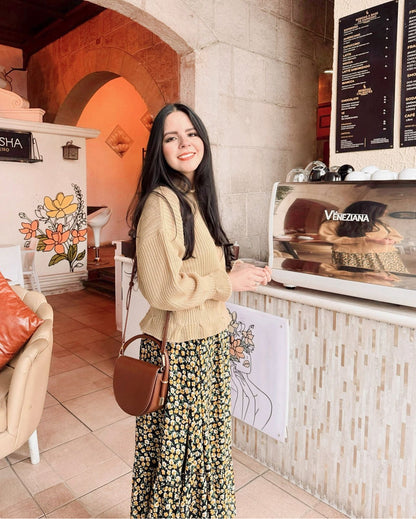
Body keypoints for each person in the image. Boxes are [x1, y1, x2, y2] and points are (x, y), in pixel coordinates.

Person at [127, 102, 271, 518]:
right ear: (159, 148)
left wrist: (230, 266)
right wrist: (227, 282)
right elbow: (164, 288)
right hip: (182, 351)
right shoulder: (161, 203)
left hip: (205, 342)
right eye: (171, 137)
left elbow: (192, 263)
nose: (184, 143)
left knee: (203, 455)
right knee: (181, 462)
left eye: (191, 133)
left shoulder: (192, 196)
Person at [318, 200, 407, 273]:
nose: (385, 212)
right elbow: (330, 238)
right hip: (352, 258)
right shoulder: (338, 223)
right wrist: (365, 240)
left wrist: (391, 240)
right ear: (368, 212)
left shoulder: (379, 224)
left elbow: (396, 236)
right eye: (381, 211)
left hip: (382, 258)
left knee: (382, 282)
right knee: (356, 280)